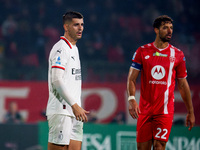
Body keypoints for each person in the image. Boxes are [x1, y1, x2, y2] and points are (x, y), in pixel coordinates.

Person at [127, 15, 195, 150]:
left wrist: (190, 111)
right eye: (165, 28)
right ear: (156, 30)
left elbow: (183, 84)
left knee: (159, 146)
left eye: (171, 28)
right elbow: (131, 78)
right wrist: (131, 99)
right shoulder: (142, 51)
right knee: (142, 148)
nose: (169, 31)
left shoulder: (178, 55)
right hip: (145, 111)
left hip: (164, 111)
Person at [46, 11, 89, 150]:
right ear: (66, 27)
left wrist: (77, 107)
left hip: (75, 112)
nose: (80, 28)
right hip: (62, 110)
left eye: (82, 25)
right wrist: (74, 105)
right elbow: (56, 80)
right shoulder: (61, 48)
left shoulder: (74, 49)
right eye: (76, 25)